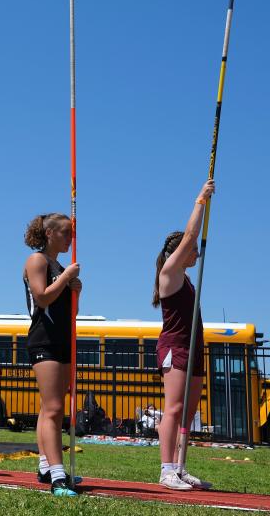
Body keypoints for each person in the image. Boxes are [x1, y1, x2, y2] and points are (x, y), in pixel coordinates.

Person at [153, 180, 216, 491]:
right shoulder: (170, 274)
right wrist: (199, 202)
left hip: (194, 347)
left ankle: (180, 467)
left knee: (188, 413)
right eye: (192, 251)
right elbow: (191, 234)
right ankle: (166, 470)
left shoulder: (187, 279)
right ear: (177, 252)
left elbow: (192, 240)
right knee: (174, 408)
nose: (196, 254)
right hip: (175, 346)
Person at [23, 213, 82, 496]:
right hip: (44, 339)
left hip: (63, 338)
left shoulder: (59, 265)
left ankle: (46, 466)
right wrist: (66, 278)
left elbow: (69, 312)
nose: (70, 238)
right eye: (66, 233)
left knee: (49, 408)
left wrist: (76, 292)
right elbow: (42, 297)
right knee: (55, 408)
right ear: (50, 234)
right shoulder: (38, 261)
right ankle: (59, 476)